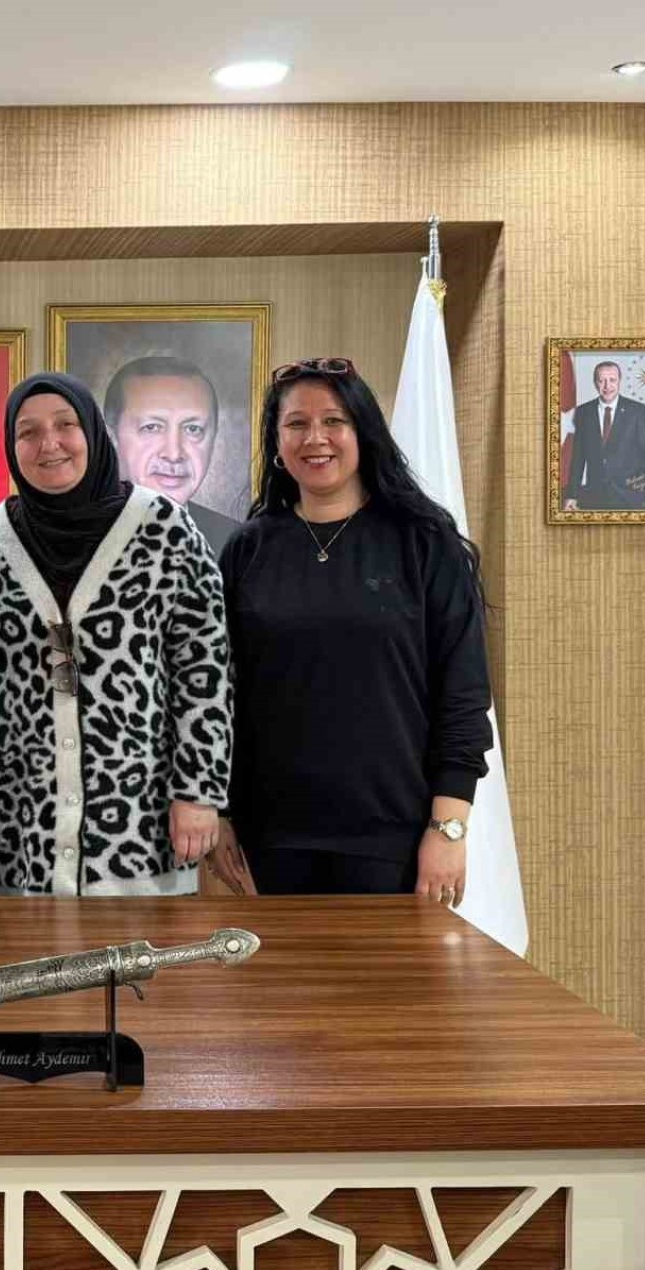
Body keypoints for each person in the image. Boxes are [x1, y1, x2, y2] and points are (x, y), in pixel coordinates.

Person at [215, 357, 492, 903]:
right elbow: (217, 694)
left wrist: (448, 828)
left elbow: (462, 693)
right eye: (296, 424)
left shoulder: (424, 542)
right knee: (286, 965)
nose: (315, 438)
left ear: (362, 431)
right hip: (272, 838)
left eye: (333, 421)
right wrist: (219, 811)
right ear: (277, 444)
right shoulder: (247, 550)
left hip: (396, 838)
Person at [0, 372, 231, 895]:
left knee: (143, 952)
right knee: (18, 948)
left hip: (140, 829)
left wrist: (199, 791)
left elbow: (204, 671)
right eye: (28, 432)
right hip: (14, 831)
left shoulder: (165, 529)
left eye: (66, 425)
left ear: (94, 432)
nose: (49, 443)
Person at [103, 355, 240, 553]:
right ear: (111, 438)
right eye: (151, 427)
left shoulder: (240, 543)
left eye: (193, 429)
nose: (174, 454)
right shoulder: (71, 537)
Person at [563, 360, 645, 511]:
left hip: (630, 499)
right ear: (595, 383)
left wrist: (642, 490)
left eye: (612, 380)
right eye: (602, 381)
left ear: (619, 381)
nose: (607, 386)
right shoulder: (583, 412)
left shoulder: (636, 411)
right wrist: (572, 495)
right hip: (594, 497)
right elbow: (578, 458)